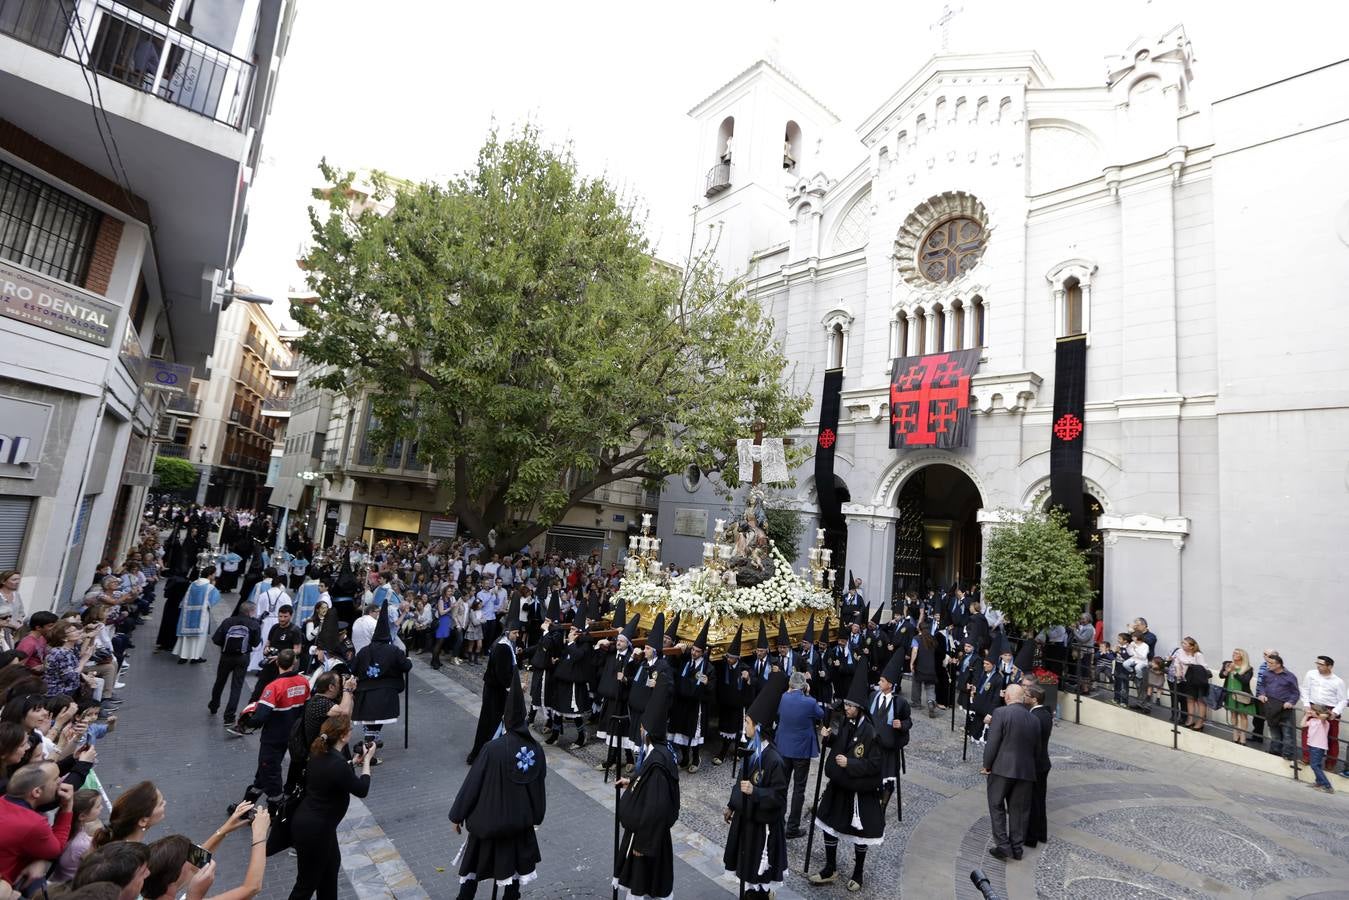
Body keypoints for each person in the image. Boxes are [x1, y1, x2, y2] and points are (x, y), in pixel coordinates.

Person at [449, 672, 546, 899]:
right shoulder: (536, 750)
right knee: (513, 878)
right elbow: (538, 788)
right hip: (519, 825)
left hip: (489, 823)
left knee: (472, 873)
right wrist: (536, 816)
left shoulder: (492, 749)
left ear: (505, 720)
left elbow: (473, 784)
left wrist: (457, 815)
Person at [809, 659, 883, 891]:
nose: (847, 708)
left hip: (859, 791)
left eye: (850, 705)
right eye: (847, 705)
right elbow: (841, 743)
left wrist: (850, 762)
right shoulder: (847, 723)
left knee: (858, 834)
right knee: (828, 824)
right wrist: (829, 737)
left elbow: (874, 764)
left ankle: (858, 873)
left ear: (860, 707)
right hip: (838, 786)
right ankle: (830, 867)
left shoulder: (870, 732)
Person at [613, 669, 679, 900]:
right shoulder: (655, 753)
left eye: (642, 728)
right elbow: (647, 779)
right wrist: (631, 781)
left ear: (648, 732)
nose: (639, 730)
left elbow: (657, 807)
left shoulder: (658, 761)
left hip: (648, 839)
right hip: (644, 833)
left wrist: (642, 844)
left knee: (644, 885)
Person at [723, 671, 789, 898]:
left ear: (758, 727)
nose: (744, 724)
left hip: (764, 829)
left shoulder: (775, 760)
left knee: (758, 883)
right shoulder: (752, 750)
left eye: (747, 721)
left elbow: (780, 798)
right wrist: (732, 804)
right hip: (747, 822)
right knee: (746, 877)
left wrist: (756, 791)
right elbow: (741, 779)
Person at [244, 649, 310, 808]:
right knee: (263, 772)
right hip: (292, 735)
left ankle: (276, 809)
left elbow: (261, 716)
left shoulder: (273, 687)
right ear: (294, 663)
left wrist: (247, 721)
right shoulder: (304, 682)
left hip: (273, 737)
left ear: (277, 662)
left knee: (270, 771)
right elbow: (306, 707)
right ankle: (245, 807)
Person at [981, 683, 1039, 861]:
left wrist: (987, 764)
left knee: (996, 805)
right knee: (1018, 811)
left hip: (1002, 768)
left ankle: (1003, 845)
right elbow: (1037, 749)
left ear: (1007, 697)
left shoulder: (1001, 713)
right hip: (1026, 771)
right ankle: (1017, 848)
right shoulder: (1034, 719)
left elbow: (993, 743)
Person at [350, 598, 411, 749]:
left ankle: (369, 741)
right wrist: (407, 659)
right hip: (385, 691)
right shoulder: (393, 650)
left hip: (365, 691)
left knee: (370, 721)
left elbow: (353, 668)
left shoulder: (364, 651)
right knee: (376, 721)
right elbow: (406, 666)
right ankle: (368, 746)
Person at [0, 761, 74, 882]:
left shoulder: (3, 800)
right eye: (56, 779)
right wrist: (67, 806)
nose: (61, 781)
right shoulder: (33, 824)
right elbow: (56, 849)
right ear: (37, 792)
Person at [468, 596, 521, 765]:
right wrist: (512, 686)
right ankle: (485, 755)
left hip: (494, 689)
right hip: (495, 692)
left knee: (493, 721)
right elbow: (502, 673)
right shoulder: (503, 647)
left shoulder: (504, 644)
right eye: (515, 632)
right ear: (507, 632)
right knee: (492, 722)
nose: (517, 635)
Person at [775, 669, 822, 840]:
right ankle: (792, 827)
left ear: (790, 685)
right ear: (804, 686)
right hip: (801, 751)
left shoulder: (783, 697)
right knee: (798, 789)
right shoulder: (809, 702)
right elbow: (821, 714)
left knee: (782, 785)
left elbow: (780, 713)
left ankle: (778, 820)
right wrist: (808, 695)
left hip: (784, 748)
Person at [871, 650, 912, 823]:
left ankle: (881, 808)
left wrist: (901, 725)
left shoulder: (900, 703)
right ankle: (871, 804)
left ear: (890, 684)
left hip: (889, 749)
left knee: (888, 781)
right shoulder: (873, 697)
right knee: (873, 777)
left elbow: (908, 721)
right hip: (873, 746)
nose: (879, 682)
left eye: (882, 680)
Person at [209, 599, 263, 727]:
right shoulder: (253, 624)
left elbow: (216, 639)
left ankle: (214, 705)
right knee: (236, 687)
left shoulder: (228, 621)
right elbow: (256, 643)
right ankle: (229, 717)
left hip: (226, 657)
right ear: (250, 611)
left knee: (220, 682)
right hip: (242, 658)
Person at [671, 620, 712, 772]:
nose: (694, 653)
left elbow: (712, 689)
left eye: (697, 651)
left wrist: (707, 683)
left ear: (703, 653)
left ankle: (695, 758)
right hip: (681, 702)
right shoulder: (686, 661)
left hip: (696, 705)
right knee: (680, 731)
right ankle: (685, 757)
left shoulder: (708, 667)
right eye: (693, 650)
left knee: (694, 734)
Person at [712, 625, 752, 767]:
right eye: (728, 657)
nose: (729, 659)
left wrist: (748, 678)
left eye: (732, 658)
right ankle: (722, 751)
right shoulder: (723, 665)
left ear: (738, 658)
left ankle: (736, 751)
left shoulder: (744, 668)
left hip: (737, 705)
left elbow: (751, 681)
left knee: (737, 730)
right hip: (725, 704)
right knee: (725, 729)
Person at [91, 781, 165, 847]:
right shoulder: (132, 856)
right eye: (161, 804)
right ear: (143, 821)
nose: (165, 803)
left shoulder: (112, 841)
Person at [1024, 684, 1053, 848]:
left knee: (1033, 802)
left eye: (1027, 694)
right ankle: (1041, 833)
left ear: (1034, 699)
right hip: (1042, 763)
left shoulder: (1036, 717)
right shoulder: (1044, 713)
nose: (1024, 696)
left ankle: (1032, 837)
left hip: (1036, 765)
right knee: (1039, 801)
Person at [173, 566, 220, 664]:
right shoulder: (210, 587)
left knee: (186, 637)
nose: (215, 576)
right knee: (199, 637)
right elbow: (214, 600)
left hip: (188, 614)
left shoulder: (193, 583)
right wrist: (214, 586)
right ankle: (195, 657)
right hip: (202, 615)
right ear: (210, 575)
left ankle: (183, 656)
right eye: (214, 574)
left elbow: (185, 598)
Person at [1169, 636, 1209, 731]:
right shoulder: (1180, 652)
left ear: (1191, 646)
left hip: (1198, 679)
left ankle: (1200, 722)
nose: (1182, 645)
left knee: (1200, 701)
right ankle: (1190, 719)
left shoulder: (1198, 655)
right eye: (1182, 643)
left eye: (1185, 643)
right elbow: (1177, 662)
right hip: (1187, 679)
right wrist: (1178, 671)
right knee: (1189, 700)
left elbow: (1203, 668)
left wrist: (1190, 665)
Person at [1219, 649, 1258, 745]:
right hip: (1230, 693)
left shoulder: (1248, 668)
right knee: (1233, 714)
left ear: (1242, 656)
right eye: (1233, 653)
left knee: (1243, 715)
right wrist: (1227, 672)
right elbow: (1221, 676)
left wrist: (1235, 672)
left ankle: (1243, 736)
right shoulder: (1227, 664)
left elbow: (1245, 681)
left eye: (1237, 653)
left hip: (1242, 695)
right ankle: (1235, 734)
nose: (1234, 654)